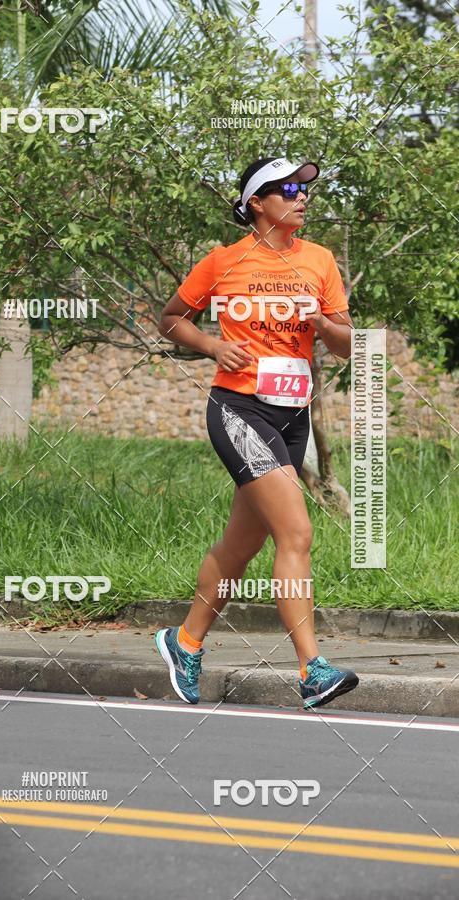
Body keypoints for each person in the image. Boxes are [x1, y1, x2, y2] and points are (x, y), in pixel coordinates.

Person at [154, 156, 359, 710]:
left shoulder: (319, 260)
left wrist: (324, 325)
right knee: (296, 533)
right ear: (256, 203)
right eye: (288, 189)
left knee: (241, 545)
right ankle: (311, 669)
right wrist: (213, 346)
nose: (301, 196)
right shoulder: (223, 261)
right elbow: (170, 319)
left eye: (304, 189)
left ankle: (184, 642)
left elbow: (346, 345)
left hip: (291, 414)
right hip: (239, 409)